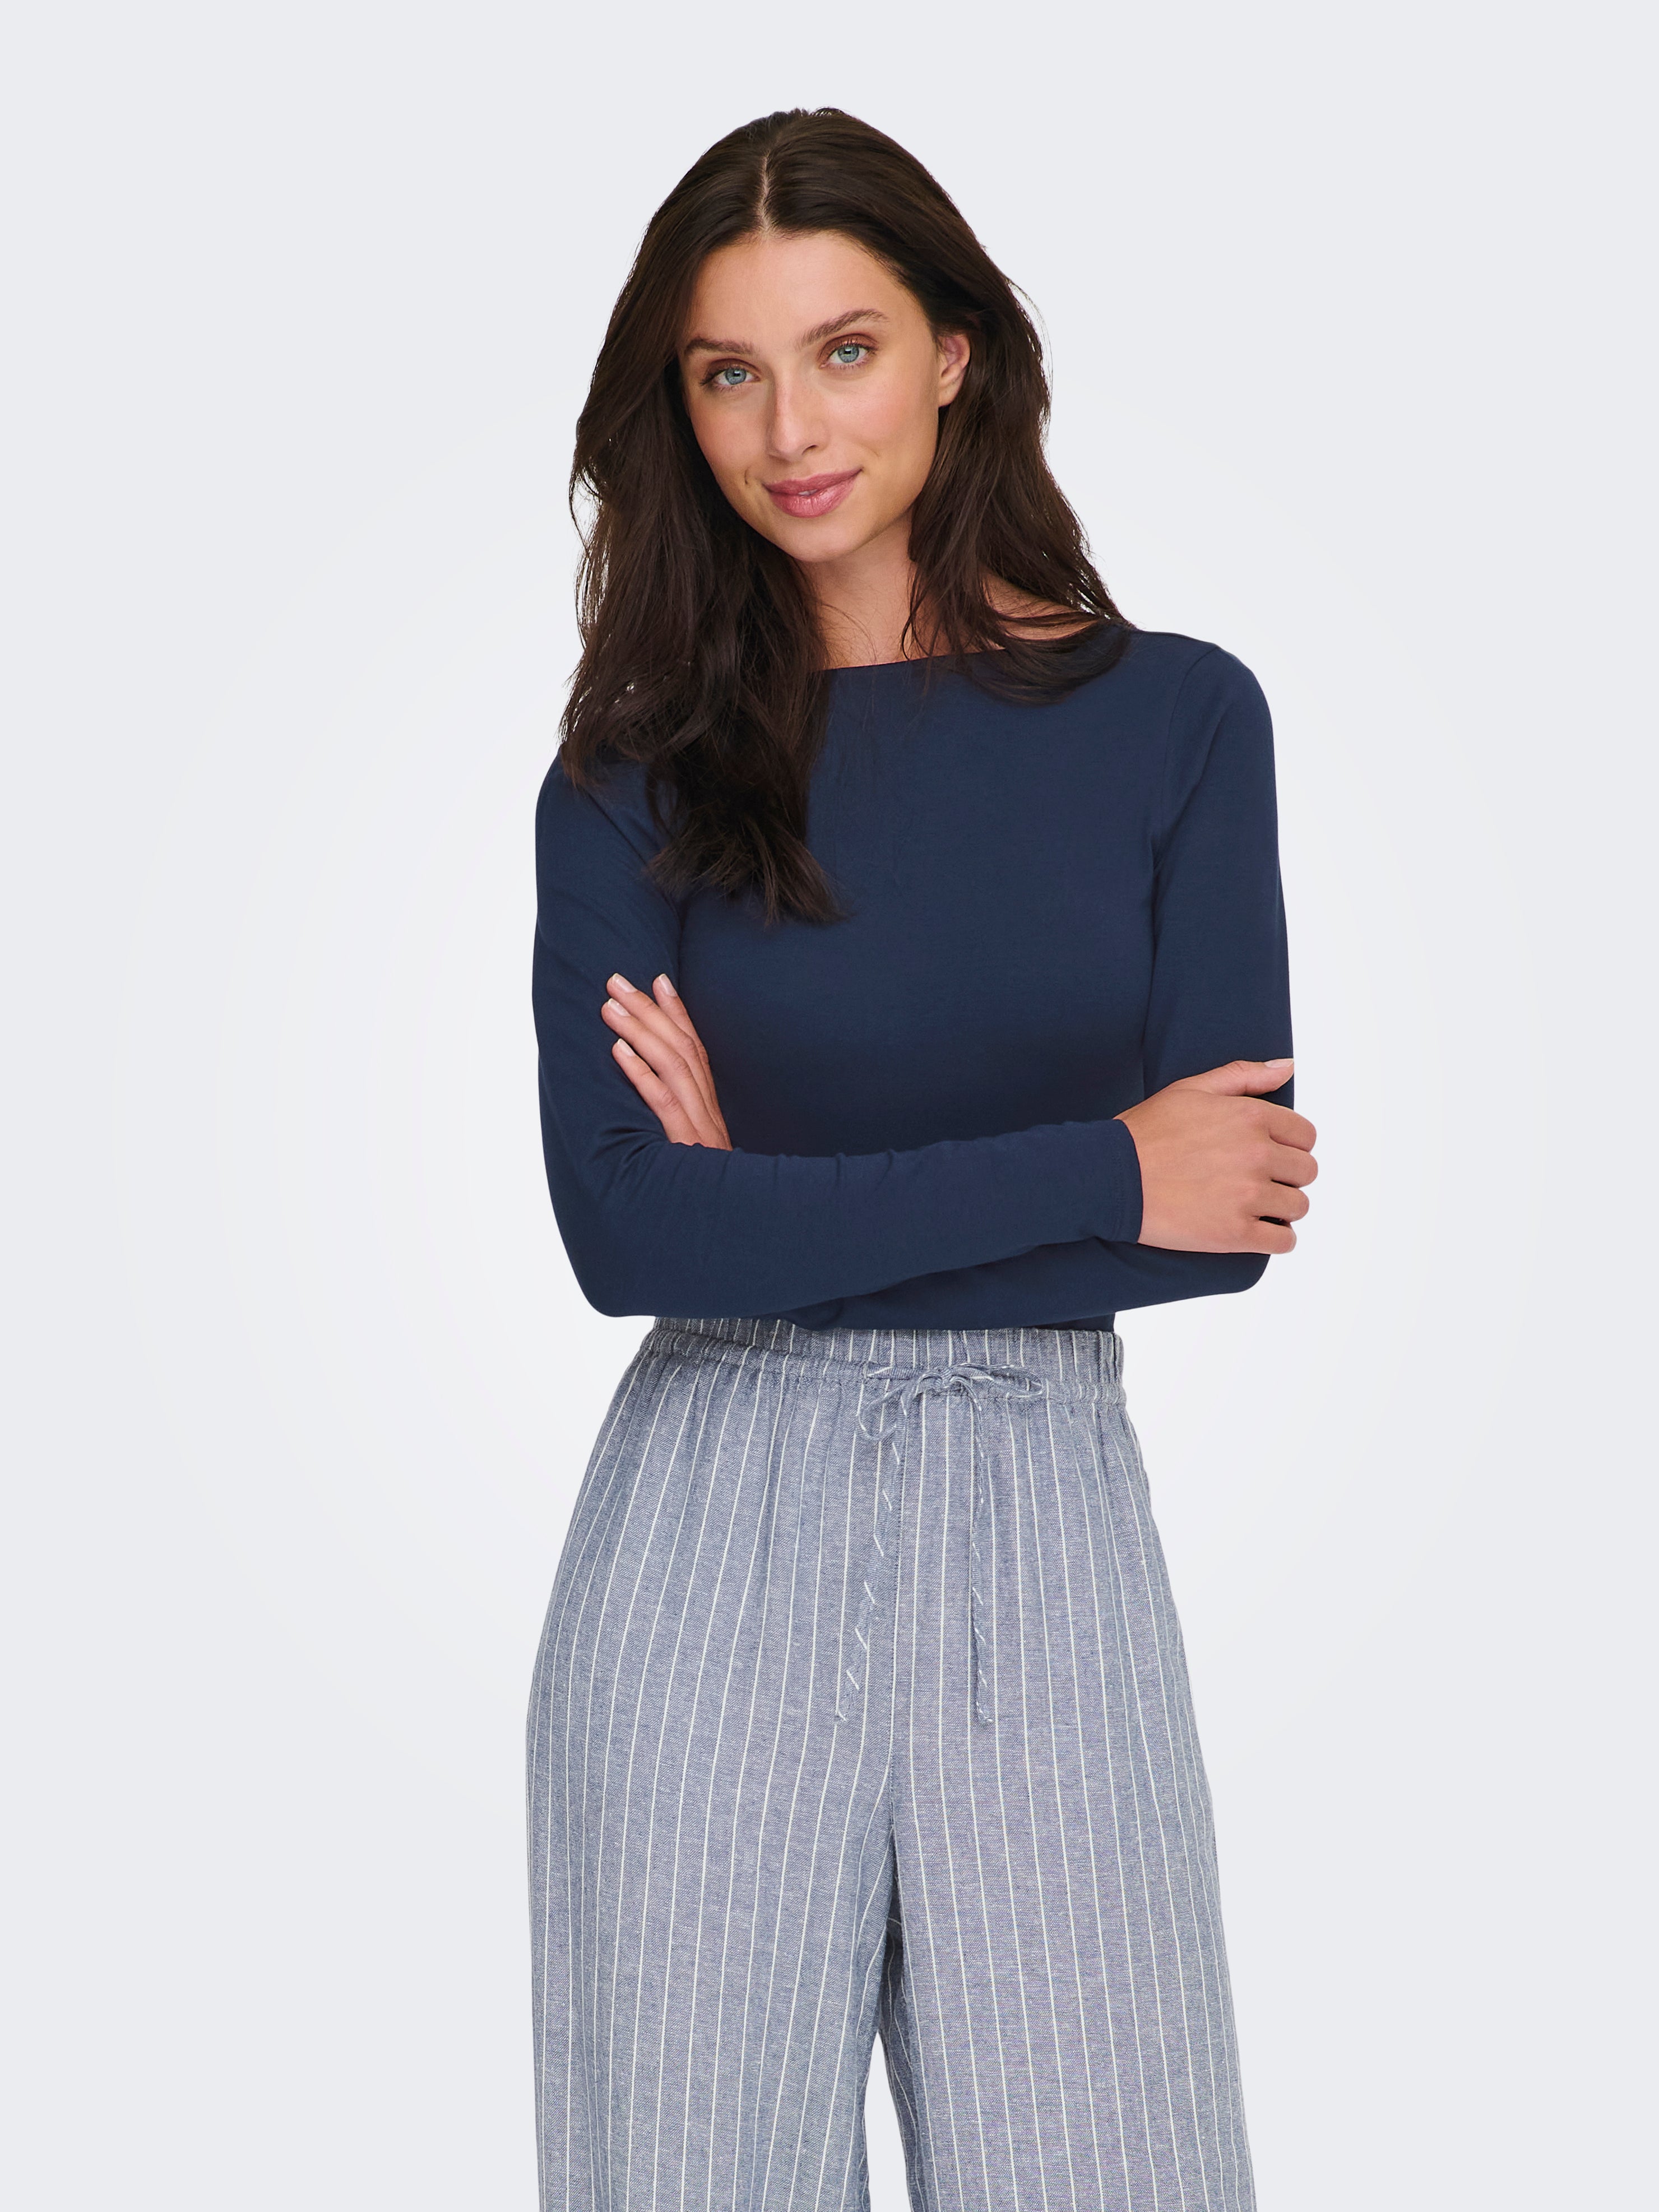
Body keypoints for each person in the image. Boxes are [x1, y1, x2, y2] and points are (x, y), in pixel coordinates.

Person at [527, 105, 1315, 2212]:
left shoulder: (1177, 722)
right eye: (729, 371)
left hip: (1041, 1530)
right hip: (707, 1543)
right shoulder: (632, 777)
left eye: (846, 350)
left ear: (957, 352)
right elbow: (626, 1230)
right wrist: (1102, 1163)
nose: (790, 428)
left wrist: (773, 1207)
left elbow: (1223, 1219)